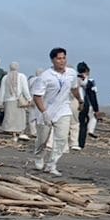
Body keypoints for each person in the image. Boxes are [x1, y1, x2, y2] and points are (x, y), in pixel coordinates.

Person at [28, 47, 77, 176]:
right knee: (42, 139)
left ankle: (52, 164)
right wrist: (44, 112)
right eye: (59, 58)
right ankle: (39, 156)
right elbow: (37, 96)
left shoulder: (71, 73)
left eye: (64, 58)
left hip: (63, 109)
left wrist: (80, 100)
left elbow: (74, 87)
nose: (62, 61)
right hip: (46, 110)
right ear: (53, 60)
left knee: (61, 138)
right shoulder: (45, 76)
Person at [0, 63, 32, 138]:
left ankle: (13, 134)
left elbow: (2, 90)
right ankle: (20, 133)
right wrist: (29, 98)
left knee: (10, 118)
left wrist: (0, 101)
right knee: (20, 118)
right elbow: (25, 89)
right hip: (18, 100)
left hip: (8, 100)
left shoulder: (5, 77)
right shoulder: (22, 76)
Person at [74, 62, 100, 149]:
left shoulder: (73, 78)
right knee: (83, 123)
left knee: (74, 123)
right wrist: (96, 109)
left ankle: (72, 142)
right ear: (86, 70)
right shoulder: (89, 81)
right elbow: (93, 96)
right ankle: (80, 143)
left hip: (71, 103)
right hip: (84, 103)